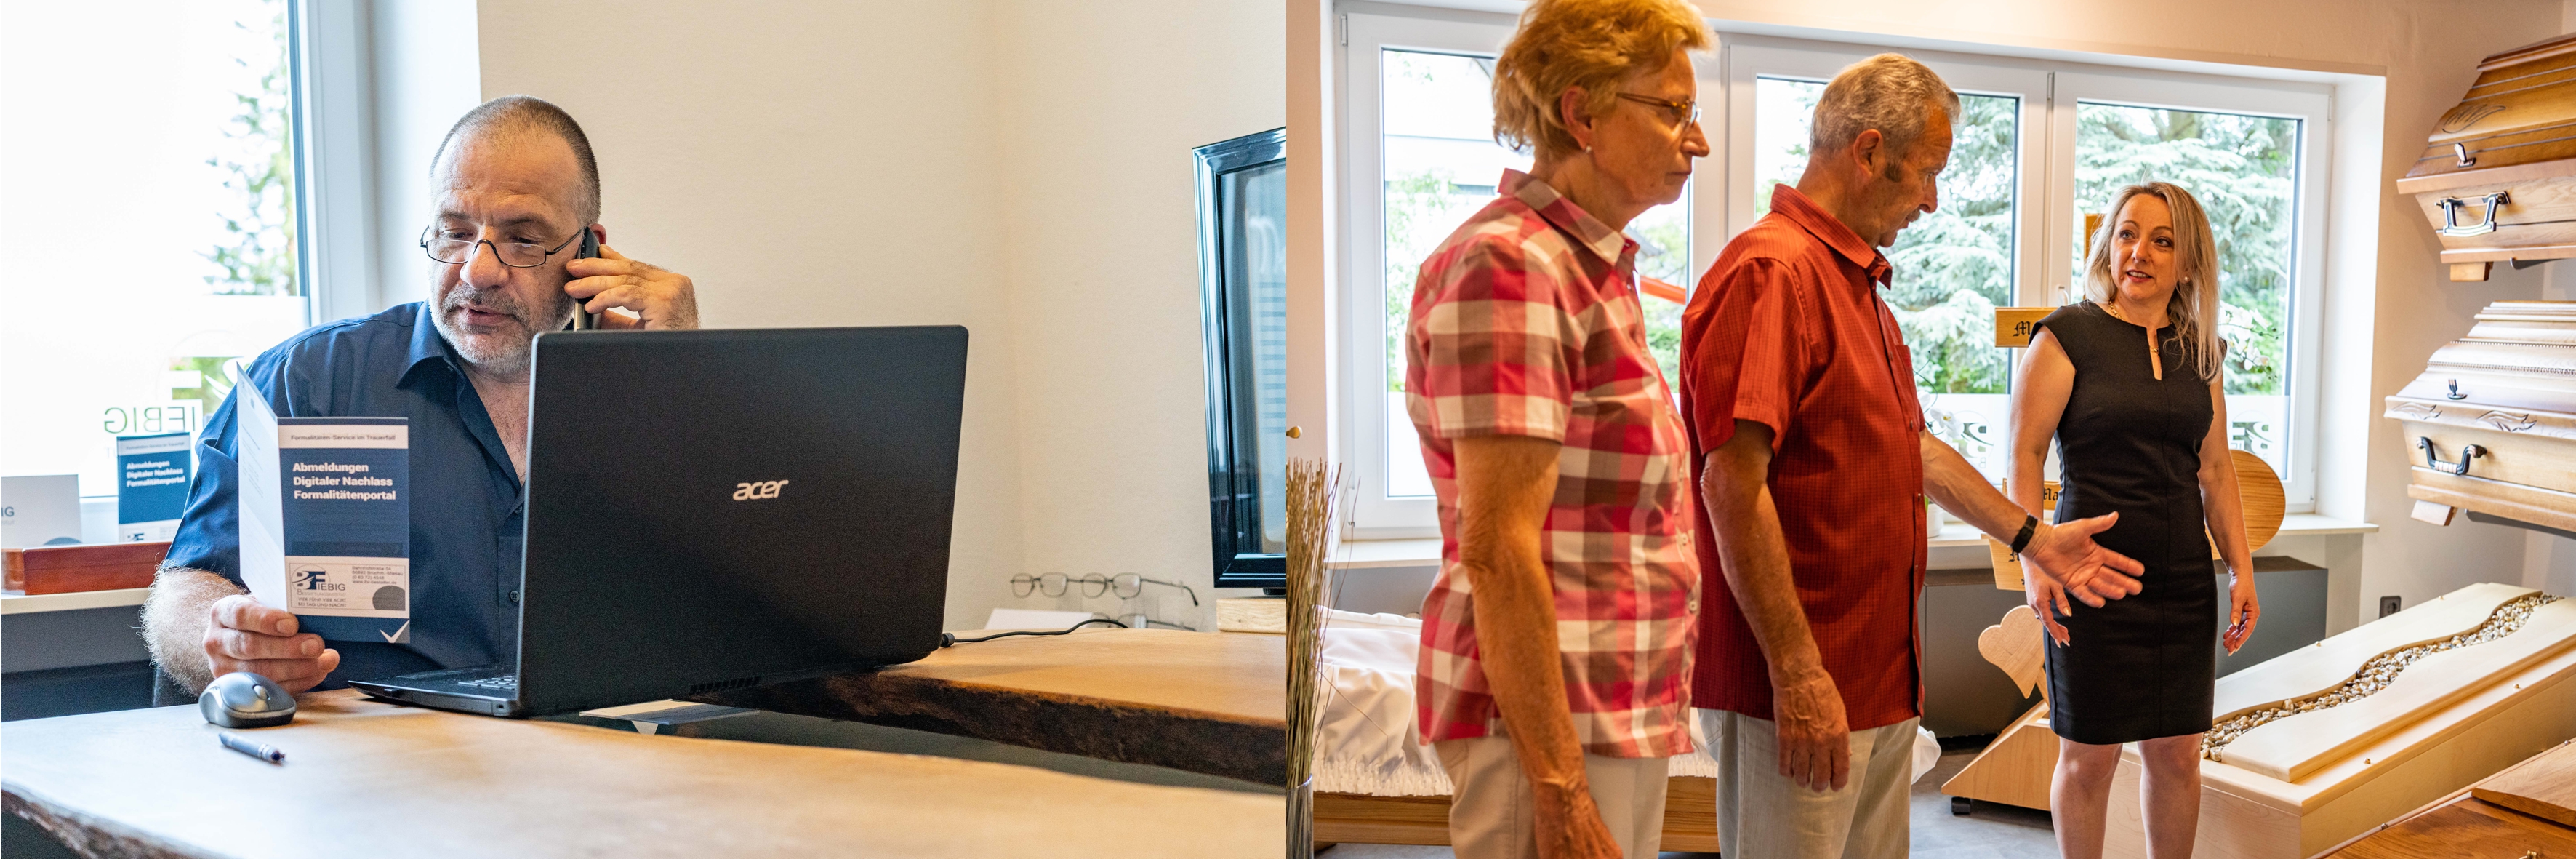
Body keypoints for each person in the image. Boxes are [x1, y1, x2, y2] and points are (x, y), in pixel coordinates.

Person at [1680, 54, 2148, 859]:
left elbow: (1912, 450)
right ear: (1869, 152)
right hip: (1799, 680)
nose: (1932, 200)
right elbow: (1730, 481)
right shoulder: (1773, 272)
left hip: (1877, 676)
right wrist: (1797, 672)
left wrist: (2034, 537)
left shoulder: (1855, 286)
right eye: (1928, 172)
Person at [140, 96, 699, 699]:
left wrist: (685, 376)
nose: (477, 270)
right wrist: (222, 637)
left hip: (594, 740)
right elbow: (187, 585)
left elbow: (725, 602)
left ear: (589, 251)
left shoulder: (642, 388)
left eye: (522, 239)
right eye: (455, 233)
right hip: (367, 743)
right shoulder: (310, 381)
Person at [1401, 1, 1707, 856]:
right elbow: (1498, 548)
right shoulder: (1514, 265)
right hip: (1549, 725)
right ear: (1582, 114)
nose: (1697, 140)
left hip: (1608, 705)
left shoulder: (1585, 266)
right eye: (1673, 110)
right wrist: (1559, 783)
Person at [2011, 181, 2261, 859]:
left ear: (2189, 261)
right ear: (2107, 245)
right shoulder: (2065, 336)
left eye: (2161, 240)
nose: (2138, 252)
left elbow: (2215, 470)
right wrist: (2034, 561)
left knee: (2177, 753)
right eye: (2126, 234)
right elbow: (2024, 456)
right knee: (2088, 758)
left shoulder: (2201, 351)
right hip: (2088, 578)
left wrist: (2240, 568)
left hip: (2182, 583)